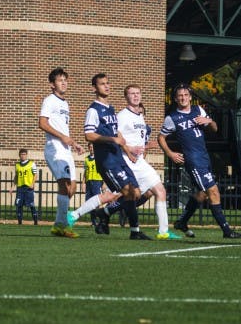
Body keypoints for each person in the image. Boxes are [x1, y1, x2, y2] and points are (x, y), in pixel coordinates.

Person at [65, 73, 149, 240]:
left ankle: (106, 215)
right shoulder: (93, 110)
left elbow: (115, 131)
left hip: (118, 157)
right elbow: (88, 135)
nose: (107, 86)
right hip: (107, 160)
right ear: (94, 88)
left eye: (108, 83)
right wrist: (114, 139)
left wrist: (126, 148)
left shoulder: (110, 108)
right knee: (128, 192)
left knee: (137, 193)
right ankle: (133, 231)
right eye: (102, 84)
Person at [158, 84, 241, 239]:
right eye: (180, 95)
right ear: (175, 99)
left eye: (186, 94)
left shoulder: (199, 110)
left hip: (204, 157)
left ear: (190, 97)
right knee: (213, 191)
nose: (183, 97)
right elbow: (161, 138)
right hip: (193, 160)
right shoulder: (172, 118)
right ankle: (226, 230)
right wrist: (170, 154)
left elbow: (214, 128)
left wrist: (208, 120)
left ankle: (182, 222)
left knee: (202, 194)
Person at [114, 85, 181, 239]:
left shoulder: (139, 115)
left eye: (138, 93)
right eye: (132, 94)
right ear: (126, 97)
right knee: (120, 196)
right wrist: (128, 149)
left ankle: (163, 232)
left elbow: (136, 138)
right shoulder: (122, 115)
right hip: (128, 160)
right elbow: (115, 136)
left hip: (139, 161)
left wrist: (145, 147)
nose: (136, 96)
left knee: (159, 190)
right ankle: (94, 213)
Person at [38, 67, 83, 238]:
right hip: (55, 148)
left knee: (72, 188)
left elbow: (63, 128)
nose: (63, 82)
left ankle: (58, 224)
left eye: (65, 79)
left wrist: (74, 143)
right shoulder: (49, 100)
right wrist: (63, 137)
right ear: (52, 84)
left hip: (66, 149)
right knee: (64, 185)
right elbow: (42, 123)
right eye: (59, 80)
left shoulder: (65, 103)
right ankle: (63, 226)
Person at [81, 143, 106, 231]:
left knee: (98, 202)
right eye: (90, 147)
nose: (91, 148)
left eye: (92, 147)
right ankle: (93, 221)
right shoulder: (86, 159)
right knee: (90, 202)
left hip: (97, 181)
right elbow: (85, 172)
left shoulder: (99, 158)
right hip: (89, 182)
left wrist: (104, 183)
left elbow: (103, 171)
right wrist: (83, 183)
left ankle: (101, 221)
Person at [13, 148, 39, 225]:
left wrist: (32, 184)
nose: (23, 156)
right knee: (19, 205)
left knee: (31, 205)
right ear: (19, 155)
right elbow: (16, 176)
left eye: (24, 154)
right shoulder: (17, 165)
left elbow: (35, 175)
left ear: (26, 155)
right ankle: (20, 222)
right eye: (21, 154)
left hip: (28, 188)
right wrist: (12, 187)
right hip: (20, 187)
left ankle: (35, 222)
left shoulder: (32, 164)